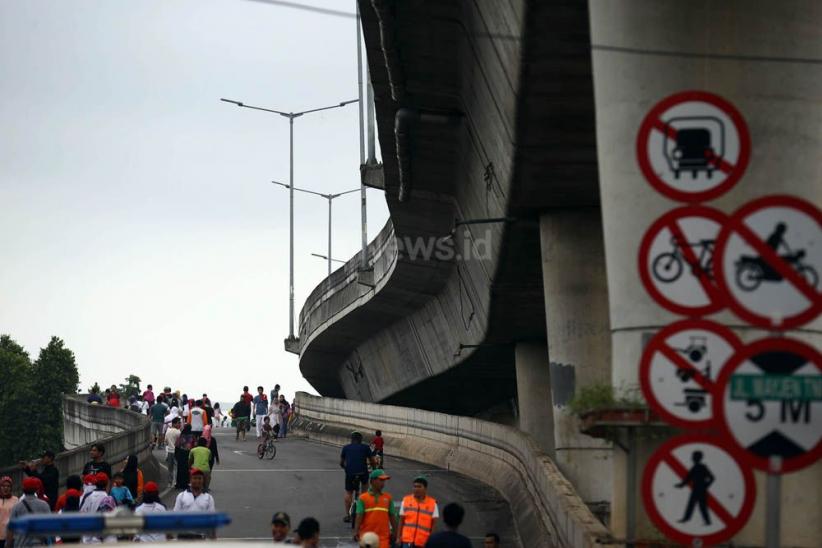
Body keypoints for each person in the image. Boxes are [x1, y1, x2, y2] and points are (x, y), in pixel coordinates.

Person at [353, 469, 397, 548]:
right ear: (373, 481)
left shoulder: (388, 497)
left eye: (384, 480)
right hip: (367, 538)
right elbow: (359, 515)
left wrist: (395, 532)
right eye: (381, 480)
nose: (383, 483)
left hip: (383, 538)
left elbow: (392, 516)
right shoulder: (363, 498)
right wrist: (356, 531)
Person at [6, 478, 51, 547]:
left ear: (23, 489)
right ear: (36, 490)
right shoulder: (44, 505)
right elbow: (50, 527)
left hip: (21, 544)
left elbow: (10, 529)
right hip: (39, 544)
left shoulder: (17, 507)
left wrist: (8, 545)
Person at [341, 431, 374, 523]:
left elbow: (341, 462)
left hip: (350, 473)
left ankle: (348, 516)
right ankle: (364, 513)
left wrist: (345, 468)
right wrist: (374, 468)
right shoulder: (366, 447)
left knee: (349, 493)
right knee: (364, 491)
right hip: (363, 472)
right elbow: (372, 461)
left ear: (351, 439)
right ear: (361, 440)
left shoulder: (346, 448)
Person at [173, 469, 216, 539]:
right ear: (190, 480)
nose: (197, 481)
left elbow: (211, 519)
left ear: (203, 480)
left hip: (200, 537)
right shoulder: (181, 496)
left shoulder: (208, 498)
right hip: (183, 536)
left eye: (200, 478)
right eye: (195, 478)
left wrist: (213, 536)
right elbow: (175, 516)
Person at [676, 450, 715, 526]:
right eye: (693, 457)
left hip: (701, 490)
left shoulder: (703, 467)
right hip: (695, 489)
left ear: (697, 458)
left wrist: (706, 485)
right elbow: (688, 478)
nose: (692, 458)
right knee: (691, 505)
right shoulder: (694, 468)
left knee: (702, 506)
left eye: (694, 457)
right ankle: (686, 518)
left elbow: (712, 478)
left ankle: (707, 521)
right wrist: (681, 485)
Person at [399, 476, 439, 547]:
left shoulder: (433, 504)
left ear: (425, 489)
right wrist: (398, 537)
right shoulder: (406, 501)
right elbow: (401, 521)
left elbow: (434, 526)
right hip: (407, 542)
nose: (416, 489)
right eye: (415, 486)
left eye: (419, 487)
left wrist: (432, 541)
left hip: (423, 543)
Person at [175, 424, 196, 489]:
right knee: (187, 469)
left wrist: (176, 455)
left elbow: (177, 445)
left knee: (180, 469)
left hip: (181, 454)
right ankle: (186, 483)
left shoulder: (181, 435)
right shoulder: (192, 436)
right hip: (189, 454)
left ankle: (179, 483)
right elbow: (195, 445)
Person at [0, 476, 19, 548]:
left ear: (11, 488)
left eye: (8, 486)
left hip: (11, 536)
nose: (6, 488)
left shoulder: (15, 500)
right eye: (3, 486)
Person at [165, 417, 182, 486]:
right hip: (176, 451)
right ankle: (176, 482)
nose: (180, 424)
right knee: (176, 467)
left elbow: (166, 442)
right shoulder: (178, 432)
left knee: (170, 468)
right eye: (179, 423)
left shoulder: (168, 431)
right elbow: (180, 443)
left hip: (169, 451)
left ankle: (170, 482)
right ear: (174, 424)